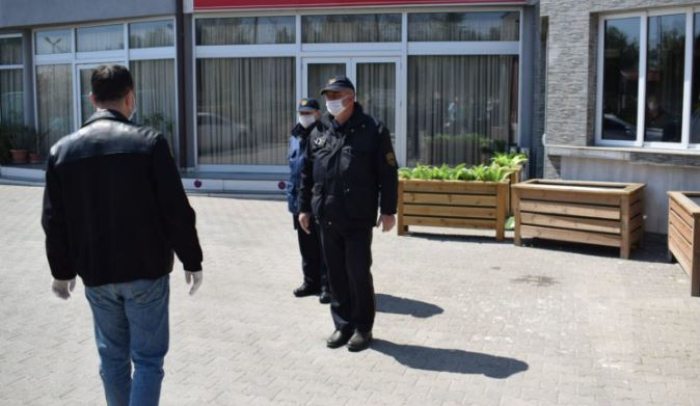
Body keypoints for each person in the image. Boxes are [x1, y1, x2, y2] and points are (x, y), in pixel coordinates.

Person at [41, 65, 203, 406]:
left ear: (92, 99)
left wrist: (61, 271)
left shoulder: (62, 151)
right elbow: (175, 209)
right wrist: (192, 260)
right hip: (146, 272)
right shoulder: (150, 143)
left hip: (97, 274)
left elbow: (54, 221)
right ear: (130, 98)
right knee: (147, 360)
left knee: (113, 360)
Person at [298, 76, 399, 352]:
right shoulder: (319, 131)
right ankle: (342, 325)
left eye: (336, 95)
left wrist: (388, 210)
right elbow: (306, 173)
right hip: (326, 216)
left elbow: (388, 173)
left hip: (357, 217)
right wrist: (304, 208)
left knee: (357, 273)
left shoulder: (373, 129)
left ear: (351, 97)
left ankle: (363, 328)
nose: (330, 101)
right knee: (335, 275)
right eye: (328, 96)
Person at [288, 98, 330, 304]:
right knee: (306, 245)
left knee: (323, 246)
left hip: (317, 200)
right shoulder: (295, 136)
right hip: (298, 199)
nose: (304, 116)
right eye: (302, 113)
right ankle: (310, 282)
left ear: (318, 114)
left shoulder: (325, 134)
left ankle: (327, 286)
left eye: (308, 113)